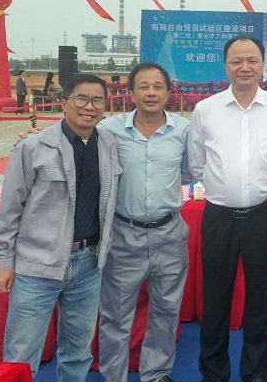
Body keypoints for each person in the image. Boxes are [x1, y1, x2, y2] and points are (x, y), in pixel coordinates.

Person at [0, 74, 120, 381]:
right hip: (37, 265)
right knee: (21, 355)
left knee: (78, 352)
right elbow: (10, 208)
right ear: (64, 103)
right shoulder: (33, 146)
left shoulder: (110, 145)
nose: (89, 107)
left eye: (97, 100)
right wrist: (5, 262)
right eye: (81, 99)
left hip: (88, 264)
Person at [189, 36, 267, 382]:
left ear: (263, 65)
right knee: (215, 300)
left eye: (252, 60)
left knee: (259, 301)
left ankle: (255, 374)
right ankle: (213, 373)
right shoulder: (206, 109)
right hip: (219, 217)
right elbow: (197, 162)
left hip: (263, 215)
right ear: (226, 65)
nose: (244, 67)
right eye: (236, 61)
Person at [97, 62, 192, 382]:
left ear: (168, 92)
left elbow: (188, 172)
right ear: (131, 92)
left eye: (158, 86)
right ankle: (114, 376)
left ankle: (156, 373)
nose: (151, 93)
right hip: (124, 234)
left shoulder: (183, 130)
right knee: (115, 314)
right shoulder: (109, 130)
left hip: (170, 233)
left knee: (167, 309)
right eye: (143, 86)